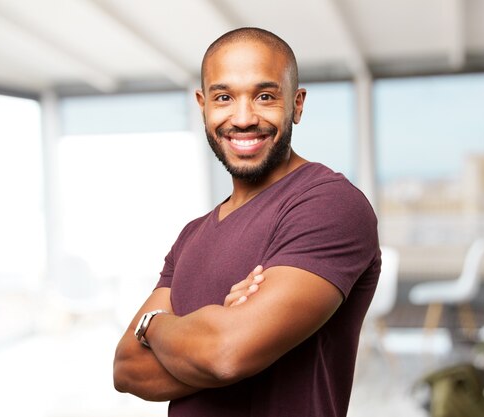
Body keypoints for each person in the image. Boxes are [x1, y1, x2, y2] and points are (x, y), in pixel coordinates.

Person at [113, 27, 381, 417]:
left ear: (297, 104)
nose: (242, 118)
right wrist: (212, 330)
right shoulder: (191, 235)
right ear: (203, 105)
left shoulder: (328, 204)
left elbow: (225, 354)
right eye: (223, 98)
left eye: (265, 96)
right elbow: (126, 369)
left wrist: (152, 326)